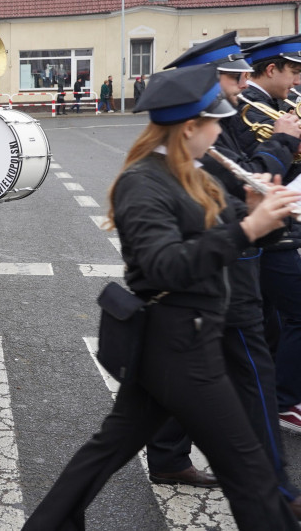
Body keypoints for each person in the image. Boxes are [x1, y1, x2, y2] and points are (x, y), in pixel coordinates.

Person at [23, 64, 301, 530]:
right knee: (249, 471)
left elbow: (239, 230)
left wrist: (262, 214)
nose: (221, 129)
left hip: (177, 339)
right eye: (215, 121)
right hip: (180, 343)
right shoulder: (143, 182)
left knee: (108, 448)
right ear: (190, 127)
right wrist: (248, 226)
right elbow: (164, 265)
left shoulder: (194, 173)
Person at [141, 33, 301, 510]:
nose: (245, 83)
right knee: (252, 375)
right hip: (230, 264)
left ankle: (169, 454)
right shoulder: (204, 128)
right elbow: (242, 179)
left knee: (211, 369)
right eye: (236, 76)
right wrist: (282, 144)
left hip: (232, 261)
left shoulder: (228, 118)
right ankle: (274, 490)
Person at [229, 35, 301, 432]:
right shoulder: (250, 112)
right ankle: (280, 401)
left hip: (277, 227)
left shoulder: (276, 107)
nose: (296, 82)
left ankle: (268, 396)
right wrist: (286, 142)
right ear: (271, 69)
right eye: (293, 72)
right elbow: (256, 175)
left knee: (267, 321)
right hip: (264, 233)